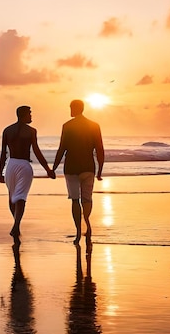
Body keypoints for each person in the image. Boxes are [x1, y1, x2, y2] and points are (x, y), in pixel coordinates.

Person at [0, 106, 55, 243]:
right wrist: (48, 169)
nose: (31, 116)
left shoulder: (7, 130)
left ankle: (16, 224)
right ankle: (16, 225)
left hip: (11, 165)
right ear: (23, 115)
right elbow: (36, 151)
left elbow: (3, 153)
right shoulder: (31, 131)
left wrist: (0, 172)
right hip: (24, 166)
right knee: (21, 197)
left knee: (12, 197)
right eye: (29, 114)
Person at [53, 99, 104, 245]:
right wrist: (100, 170)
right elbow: (100, 149)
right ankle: (87, 222)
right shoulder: (94, 126)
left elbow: (62, 149)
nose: (69, 110)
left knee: (75, 200)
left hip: (72, 168)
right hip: (88, 167)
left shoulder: (67, 126)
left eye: (71, 107)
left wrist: (53, 169)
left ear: (76, 108)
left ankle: (77, 232)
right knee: (87, 199)